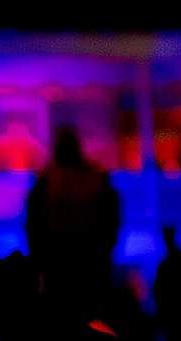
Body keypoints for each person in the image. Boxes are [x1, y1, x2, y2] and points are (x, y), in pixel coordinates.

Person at [25, 125, 121, 327]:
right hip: (73, 260)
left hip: (74, 260)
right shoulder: (94, 179)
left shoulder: (48, 180)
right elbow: (111, 219)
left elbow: (33, 224)